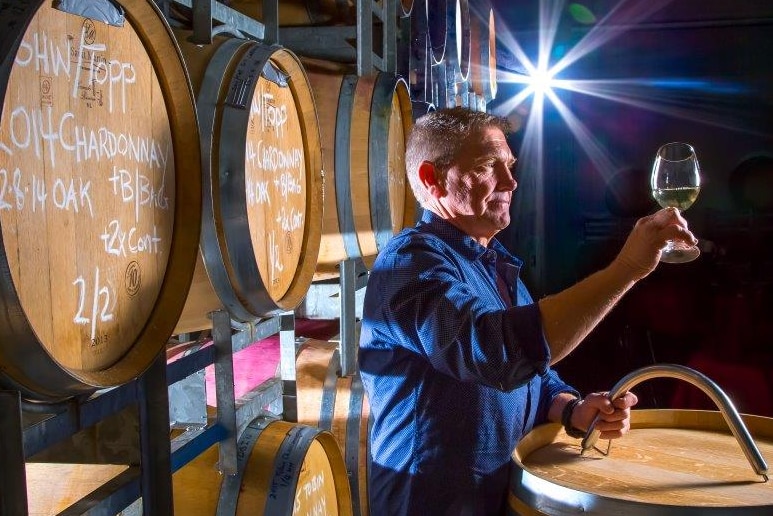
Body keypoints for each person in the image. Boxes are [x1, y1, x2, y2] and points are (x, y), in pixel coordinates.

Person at [357, 107, 699, 515]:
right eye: (488, 166)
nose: (510, 181)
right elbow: (496, 353)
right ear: (433, 179)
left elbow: (531, 376)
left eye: (510, 166)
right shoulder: (411, 264)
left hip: (494, 497)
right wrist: (626, 268)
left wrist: (571, 409)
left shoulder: (492, 261)